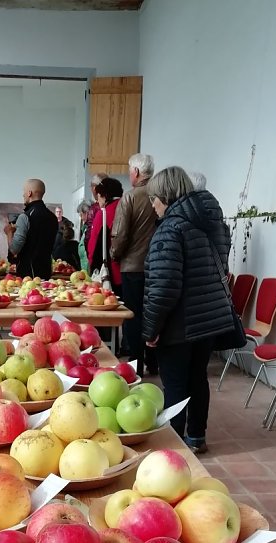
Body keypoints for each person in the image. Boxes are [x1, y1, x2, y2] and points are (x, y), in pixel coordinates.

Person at [143, 166, 233, 455]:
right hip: (209, 317)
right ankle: (196, 437)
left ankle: (174, 447)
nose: (153, 206)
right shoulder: (213, 222)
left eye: (154, 200)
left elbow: (164, 285)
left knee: (176, 384)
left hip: (179, 321)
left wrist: (151, 328)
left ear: (165, 196)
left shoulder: (170, 228)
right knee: (198, 378)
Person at [110, 153, 158, 374]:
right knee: (155, 314)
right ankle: (155, 362)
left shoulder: (130, 198)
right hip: (159, 267)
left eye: (130, 171)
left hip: (133, 267)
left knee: (133, 316)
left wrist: (114, 254)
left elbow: (119, 234)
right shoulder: (162, 195)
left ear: (136, 172)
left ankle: (136, 366)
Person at [4, 179, 58, 280]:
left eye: (24, 192)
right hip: (47, 271)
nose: (23, 195)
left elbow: (14, 249)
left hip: (28, 274)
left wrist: (9, 233)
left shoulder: (25, 217)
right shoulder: (53, 218)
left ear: (29, 193)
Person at [87, 177, 123, 292]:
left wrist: (92, 267)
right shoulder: (127, 207)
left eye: (98, 197)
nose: (98, 201)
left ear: (103, 195)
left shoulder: (104, 213)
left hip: (111, 271)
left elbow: (94, 244)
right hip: (130, 269)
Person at [83, 172, 107, 246]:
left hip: (98, 252)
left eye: (91, 186)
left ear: (94, 188)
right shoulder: (118, 204)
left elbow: (89, 236)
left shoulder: (94, 209)